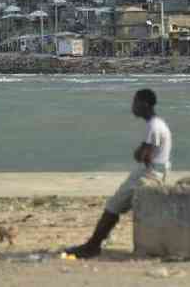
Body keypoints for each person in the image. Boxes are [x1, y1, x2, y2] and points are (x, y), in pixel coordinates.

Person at [65, 88, 172, 259]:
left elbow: (144, 155)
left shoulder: (154, 126)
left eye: (135, 102)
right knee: (115, 205)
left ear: (144, 104)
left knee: (113, 207)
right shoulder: (157, 124)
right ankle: (93, 244)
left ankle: (92, 246)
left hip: (149, 174)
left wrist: (138, 152)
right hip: (152, 171)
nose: (133, 107)